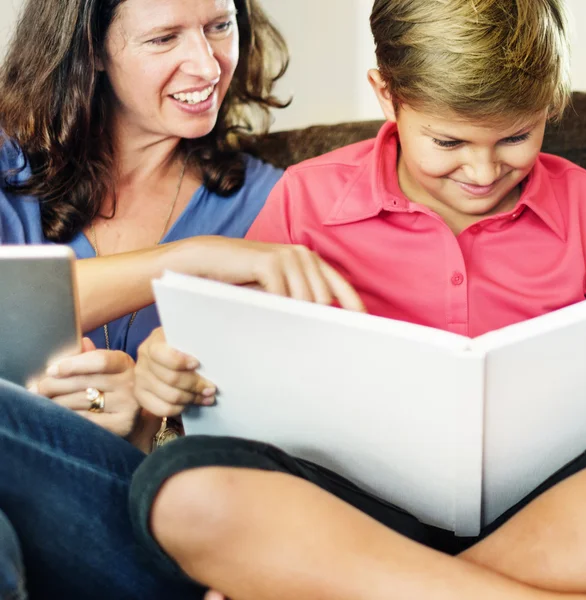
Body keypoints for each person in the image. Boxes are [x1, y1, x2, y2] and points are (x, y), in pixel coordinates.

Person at [128, 0, 586, 598]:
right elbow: (222, 349)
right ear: (386, 95)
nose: (482, 171)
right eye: (449, 141)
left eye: (515, 136)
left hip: (547, 508)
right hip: (349, 509)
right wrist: (175, 363)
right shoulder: (308, 199)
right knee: (179, 487)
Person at [0, 0, 363, 597]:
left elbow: (284, 436)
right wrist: (186, 258)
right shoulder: (9, 169)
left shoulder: (273, 206)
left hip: (148, 527)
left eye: (219, 27)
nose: (206, 64)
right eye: (164, 38)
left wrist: (148, 420)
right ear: (91, 48)